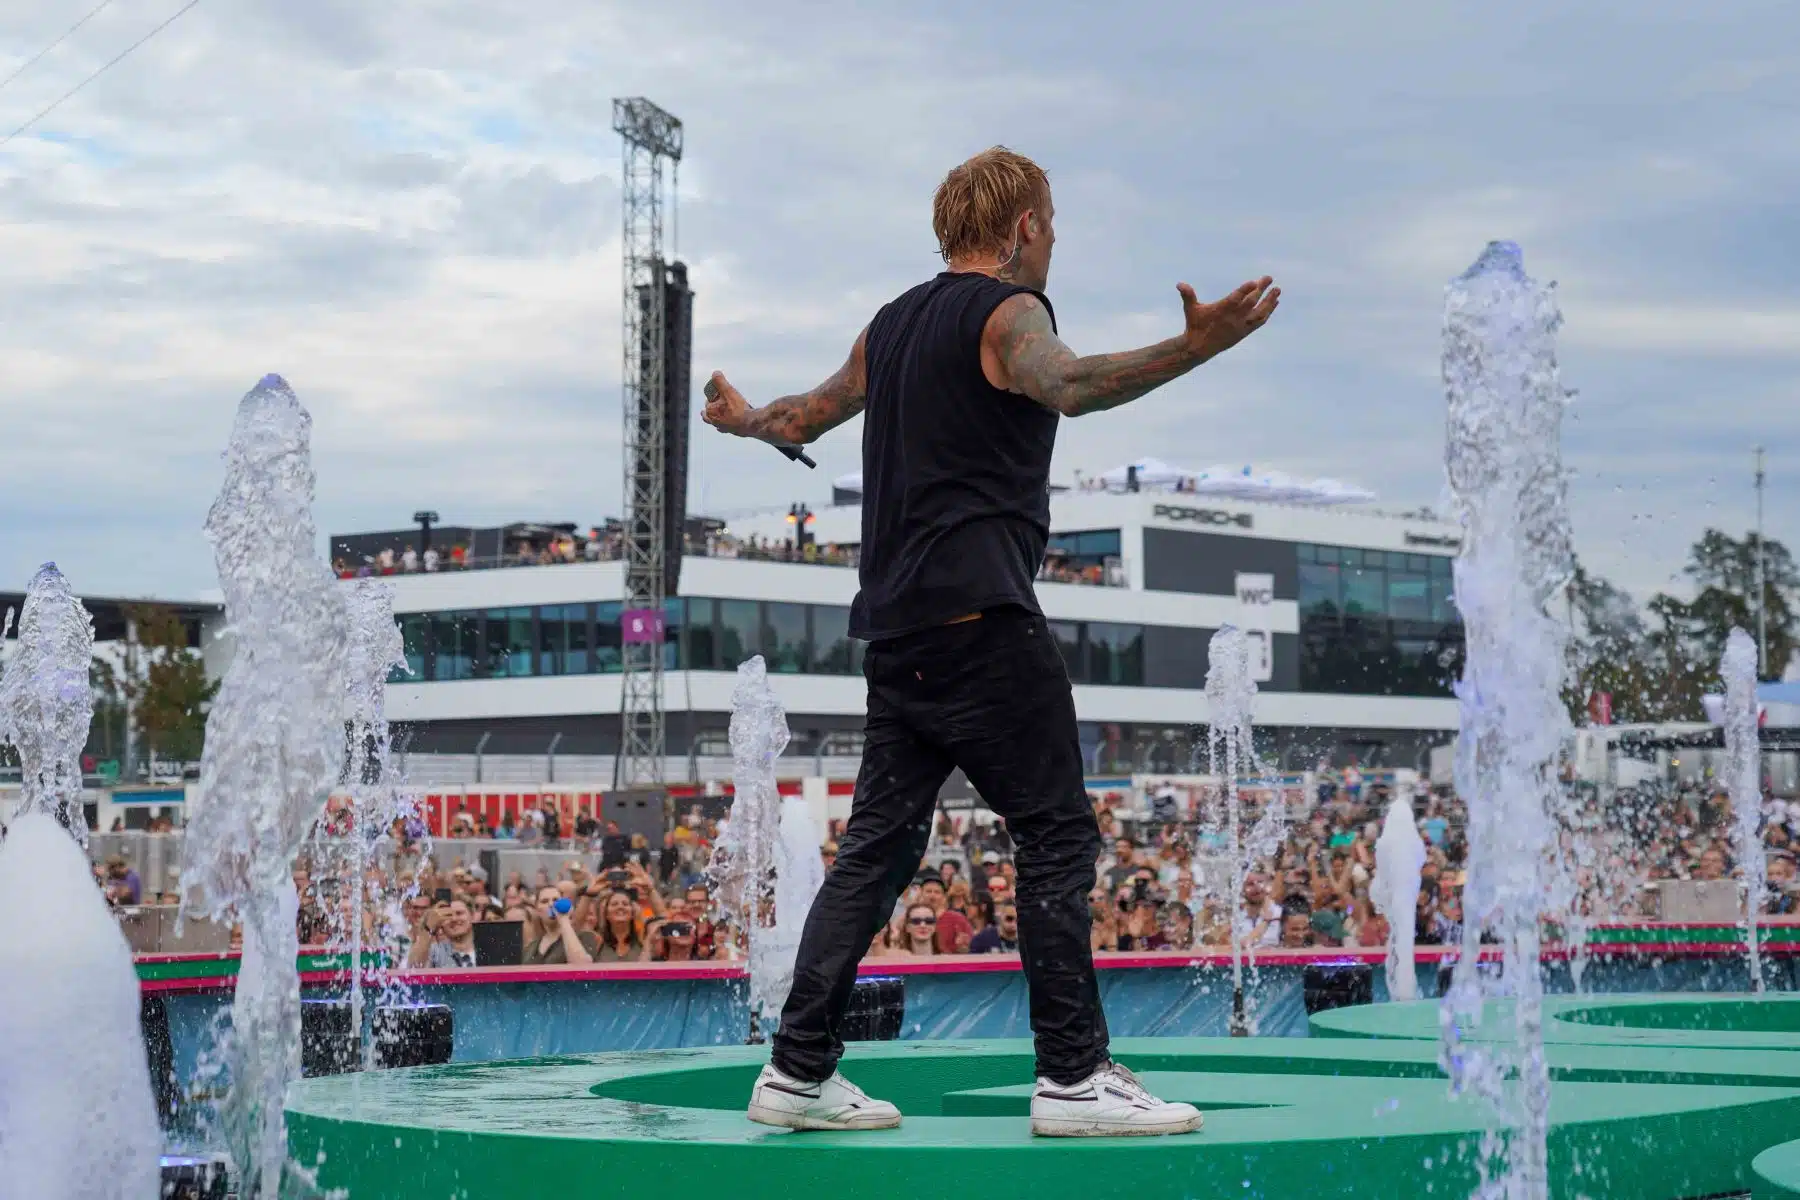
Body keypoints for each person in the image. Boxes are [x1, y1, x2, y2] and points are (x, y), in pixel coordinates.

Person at [706, 145, 1275, 1138]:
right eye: (1051, 226)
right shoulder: (1010, 314)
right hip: (983, 630)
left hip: (898, 638)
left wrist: (748, 419)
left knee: (877, 851)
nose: (1053, 245)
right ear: (1024, 227)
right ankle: (1074, 1078)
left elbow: (809, 414)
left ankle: (796, 1069)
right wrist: (1196, 348)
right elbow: (1070, 383)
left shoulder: (891, 325)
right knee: (1056, 836)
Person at [522, 885, 597, 966]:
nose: (551, 904)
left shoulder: (585, 936)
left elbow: (582, 967)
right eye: (544, 901)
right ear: (537, 910)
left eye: (555, 900)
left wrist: (564, 919)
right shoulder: (530, 948)